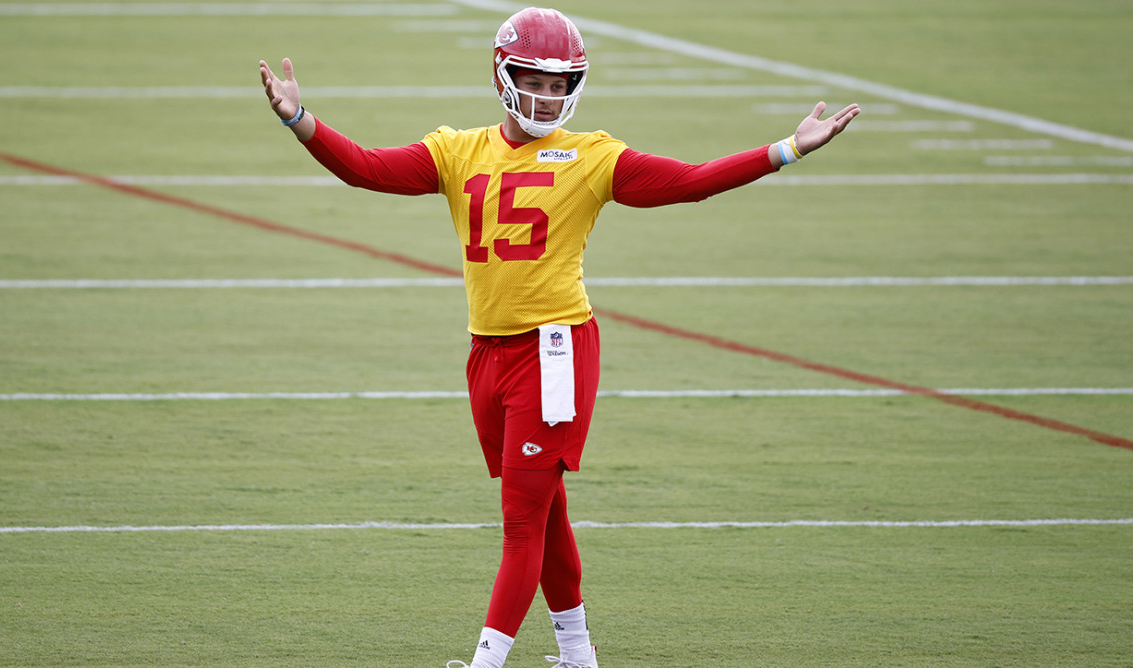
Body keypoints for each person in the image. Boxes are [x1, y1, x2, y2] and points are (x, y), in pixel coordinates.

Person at [259, 7, 858, 667]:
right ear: (501, 74)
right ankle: (578, 655)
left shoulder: (593, 156)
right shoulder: (458, 149)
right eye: (533, 80)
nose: (547, 95)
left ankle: (486, 662)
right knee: (546, 514)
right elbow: (365, 168)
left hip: (554, 354)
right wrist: (298, 119)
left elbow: (690, 183)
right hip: (486, 351)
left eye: (558, 83)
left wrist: (789, 148)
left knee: (521, 525)